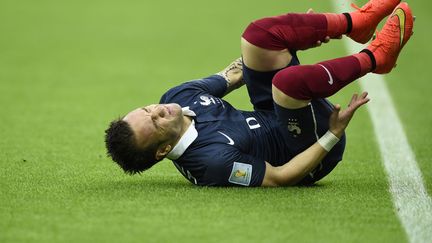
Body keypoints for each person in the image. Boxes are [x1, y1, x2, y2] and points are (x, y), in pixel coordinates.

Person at [105, 0, 414, 186]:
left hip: (274, 109)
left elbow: (236, 72)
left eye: (148, 109)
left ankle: (354, 24)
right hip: (308, 147)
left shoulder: (178, 97)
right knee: (288, 84)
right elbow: (279, 177)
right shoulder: (211, 162)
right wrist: (331, 136)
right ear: (162, 151)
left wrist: (297, 37)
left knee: (257, 36)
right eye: (156, 121)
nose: (159, 110)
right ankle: (376, 58)